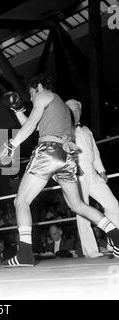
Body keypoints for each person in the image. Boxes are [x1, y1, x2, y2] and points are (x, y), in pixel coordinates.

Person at [0, 74, 119, 267]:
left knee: (21, 200)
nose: (30, 98)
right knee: (77, 205)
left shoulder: (43, 95)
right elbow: (35, 125)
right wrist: (18, 110)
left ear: (38, 86)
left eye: (31, 93)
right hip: (66, 155)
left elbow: (30, 127)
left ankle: (25, 254)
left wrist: (11, 145)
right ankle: (116, 235)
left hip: (49, 150)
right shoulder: (59, 104)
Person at [65, 99, 119, 257]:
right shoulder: (64, 129)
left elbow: (95, 152)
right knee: (83, 213)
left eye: (76, 110)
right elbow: (63, 153)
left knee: (113, 205)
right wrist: (73, 167)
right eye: (71, 110)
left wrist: (101, 170)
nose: (74, 113)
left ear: (80, 112)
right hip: (77, 176)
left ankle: (113, 243)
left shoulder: (87, 130)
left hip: (93, 175)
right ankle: (91, 251)